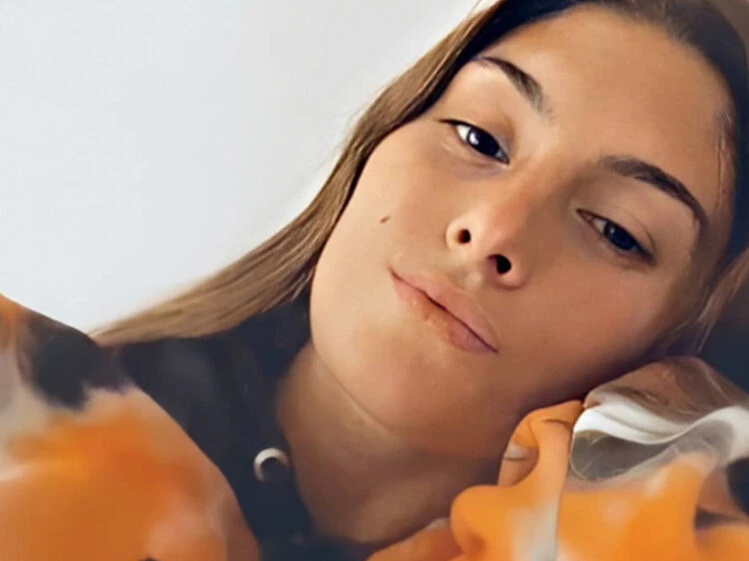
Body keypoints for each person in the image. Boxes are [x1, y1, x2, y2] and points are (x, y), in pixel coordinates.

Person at [88, 0, 749, 558]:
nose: (492, 231)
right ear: (383, 133)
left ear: (681, 336)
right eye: (479, 138)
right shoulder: (43, 427)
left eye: (615, 229)